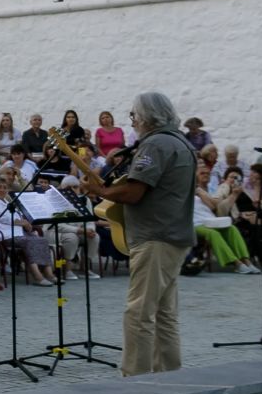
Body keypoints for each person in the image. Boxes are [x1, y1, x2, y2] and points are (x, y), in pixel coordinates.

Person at [82, 92, 195, 378]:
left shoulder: (155, 144)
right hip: (174, 234)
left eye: (133, 115)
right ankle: (169, 373)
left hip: (155, 236)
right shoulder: (181, 141)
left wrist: (101, 191)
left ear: (146, 117)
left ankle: (135, 378)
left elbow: (134, 191)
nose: (132, 121)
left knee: (139, 313)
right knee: (165, 313)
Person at [0, 171, 56, 286]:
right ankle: (37, 276)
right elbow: (5, 218)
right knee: (30, 241)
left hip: (18, 232)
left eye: (4, 187)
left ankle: (49, 273)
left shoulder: (6, 201)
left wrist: (26, 223)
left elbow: (17, 216)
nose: (2, 190)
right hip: (5, 234)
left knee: (42, 240)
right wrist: (23, 223)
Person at [192, 174, 253, 274]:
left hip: (212, 221)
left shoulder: (201, 195)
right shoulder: (183, 196)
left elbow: (214, 207)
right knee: (213, 234)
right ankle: (236, 263)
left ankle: (246, 261)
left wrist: (202, 194)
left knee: (232, 228)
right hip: (196, 224)